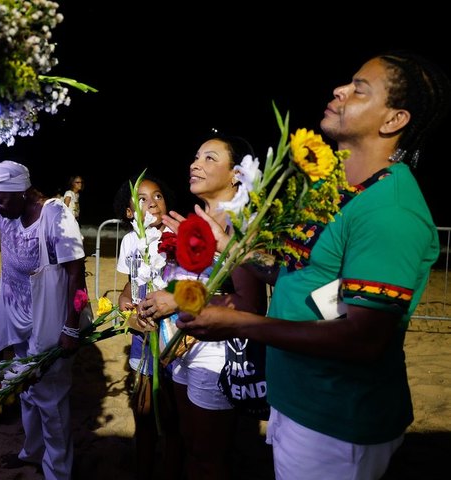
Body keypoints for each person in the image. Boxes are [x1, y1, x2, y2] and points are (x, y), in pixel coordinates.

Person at [171, 51, 451, 479]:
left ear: (394, 120)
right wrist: (231, 248)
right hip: (297, 402)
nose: (339, 90)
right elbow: (304, 279)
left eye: (359, 90)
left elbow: (363, 339)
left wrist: (239, 323)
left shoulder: (390, 211)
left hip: (336, 423)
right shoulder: (335, 191)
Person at [0, 159, 87, 480]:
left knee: (51, 398)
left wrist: (70, 327)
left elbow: (76, 275)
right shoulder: (5, 210)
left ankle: (58, 471)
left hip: (51, 320)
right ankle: (32, 452)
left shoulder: (55, 216)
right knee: (25, 388)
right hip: (19, 317)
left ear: (21, 191)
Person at [139, 134, 268, 480]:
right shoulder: (192, 220)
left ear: (237, 174)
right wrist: (154, 303)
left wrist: (178, 299)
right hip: (180, 347)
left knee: (209, 455)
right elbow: (185, 282)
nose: (195, 164)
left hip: (217, 353)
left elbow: (251, 304)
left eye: (210, 158)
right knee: (188, 441)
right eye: (196, 157)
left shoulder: (242, 222)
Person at [112, 173, 181, 479]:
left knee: (172, 414)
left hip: (175, 337)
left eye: (158, 196)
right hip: (142, 334)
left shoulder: (175, 235)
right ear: (129, 212)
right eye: (142, 199)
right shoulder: (130, 241)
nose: (152, 203)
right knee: (144, 410)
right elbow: (132, 282)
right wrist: (124, 299)